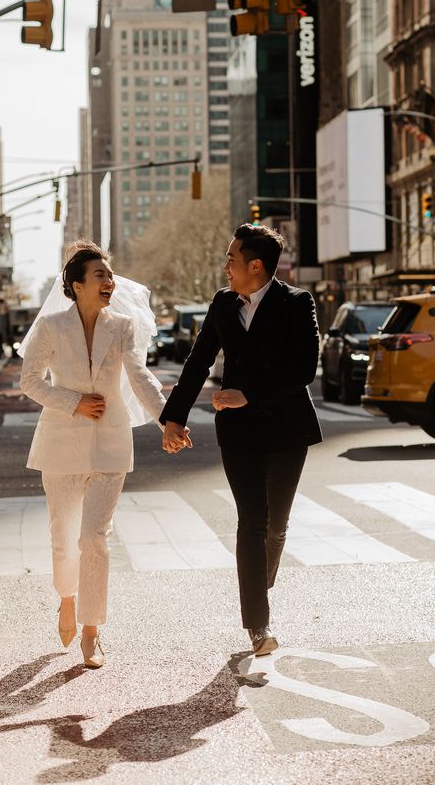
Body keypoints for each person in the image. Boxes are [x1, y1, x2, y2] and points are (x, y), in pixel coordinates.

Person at [160, 223, 321, 657]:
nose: (225, 266)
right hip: (239, 432)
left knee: (275, 526)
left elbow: (304, 368)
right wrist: (173, 418)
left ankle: (259, 583)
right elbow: (198, 362)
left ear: (255, 265)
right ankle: (258, 624)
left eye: (231, 259)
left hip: (288, 430)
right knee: (251, 521)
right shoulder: (223, 303)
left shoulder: (296, 303)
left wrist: (249, 393)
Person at [19, 241, 173, 669]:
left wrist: (168, 420)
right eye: (101, 276)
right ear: (76, 285)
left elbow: (139, 377)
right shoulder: (50, 326)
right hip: (60, 446)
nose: (110, 282)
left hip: (110, 443)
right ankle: (66, 600)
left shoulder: (121, 326)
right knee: (64, 541)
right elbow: (29, 381)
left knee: (94, 539)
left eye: (110, 275)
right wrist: (74, 401)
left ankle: (91, 629)